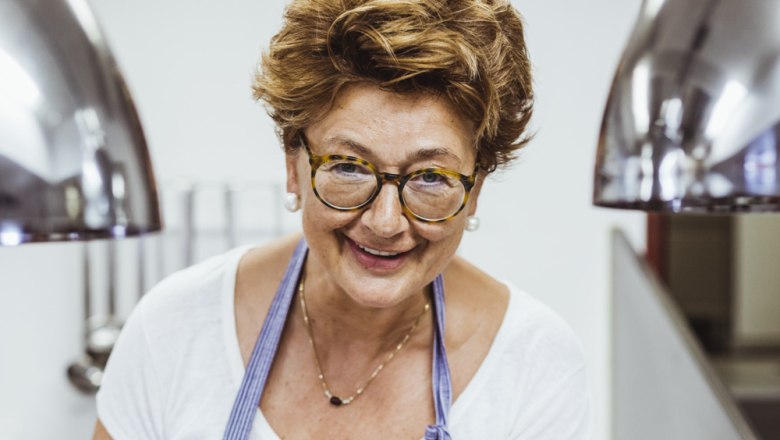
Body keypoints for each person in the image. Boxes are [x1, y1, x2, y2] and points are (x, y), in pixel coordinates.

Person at [93, 0, 591, 438]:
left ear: (475, 189)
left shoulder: (533, 362)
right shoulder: (176, 328)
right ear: (293, 166)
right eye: (349, 167)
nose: (386, 222)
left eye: (431, 177)